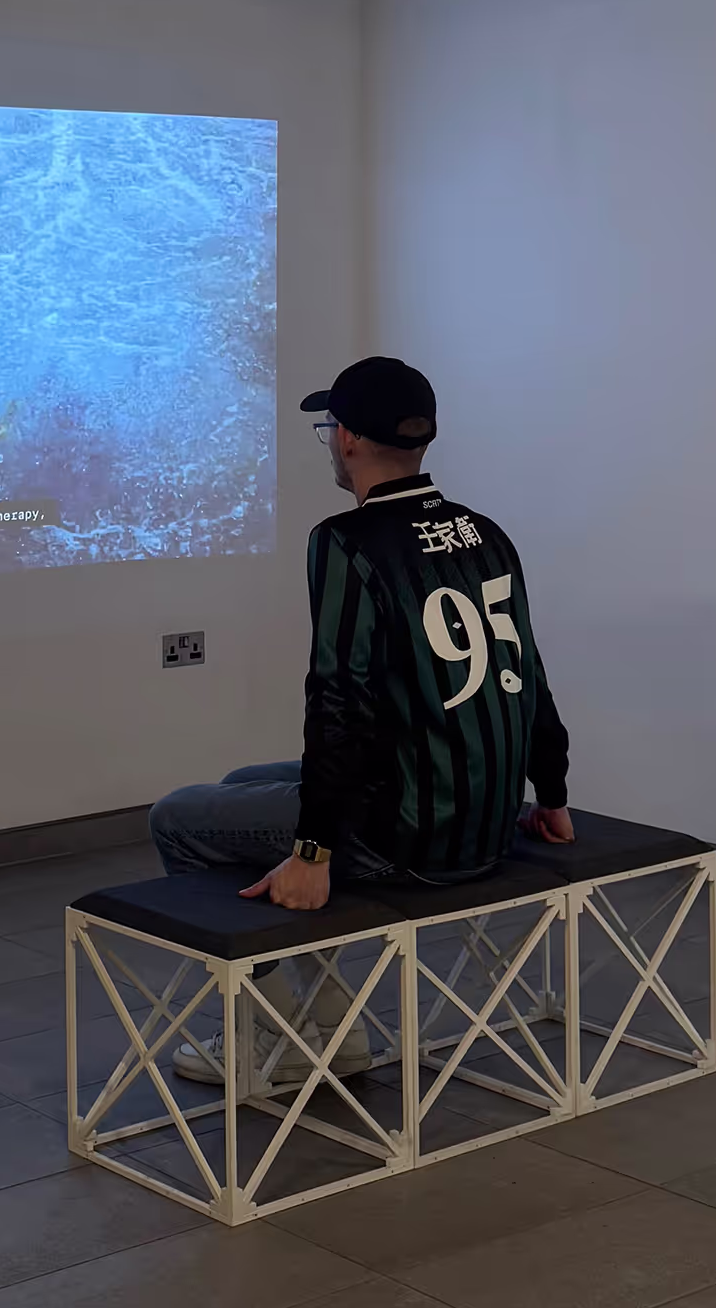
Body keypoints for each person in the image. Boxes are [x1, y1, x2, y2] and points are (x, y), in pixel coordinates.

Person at [151, 356, 572, 1083]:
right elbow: (527, 674)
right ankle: (334, 1029)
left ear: (345, 438)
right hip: (488, 818)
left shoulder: (347, 541)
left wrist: (313, 851)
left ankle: (272, 1036)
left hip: (410, 839)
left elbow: (338, 700)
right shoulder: (487, 533)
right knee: (247, 780)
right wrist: (554, 796)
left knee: (179, 818)